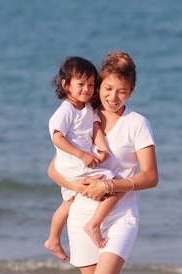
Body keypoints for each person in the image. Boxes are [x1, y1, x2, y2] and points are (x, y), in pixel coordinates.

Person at [47, 51, 158, 274]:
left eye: (121, 91)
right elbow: (53, 168)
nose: (113, 97)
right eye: (107, 89)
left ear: (131, 92)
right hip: (81, 216)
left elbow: (150, 176)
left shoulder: (136, 123)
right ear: (99, 88)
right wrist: (78, 187)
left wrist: (110, 185)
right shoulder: (83, 116)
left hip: (120, 214)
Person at [44, 56, 124, 261]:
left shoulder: (87, 108)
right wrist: (82, 155)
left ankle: (53, 239)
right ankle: (94, 225)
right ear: (66, 85)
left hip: (77, 164)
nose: (87, 89)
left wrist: (103, 149)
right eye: (80, 84)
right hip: (73, 164)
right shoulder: (65, 111)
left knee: (68, 202)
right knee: (115, 184)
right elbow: (57, 138)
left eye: (90, 85)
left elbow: (96, 127)